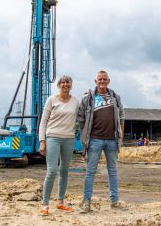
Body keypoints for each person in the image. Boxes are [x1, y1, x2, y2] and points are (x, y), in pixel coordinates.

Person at [78, 70, 125, 213]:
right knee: (90, 171)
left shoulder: (115, 97)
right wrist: (85, 134)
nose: (102, 81)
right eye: (100, 79)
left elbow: (121, 115)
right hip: (94, 140)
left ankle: (114, 201)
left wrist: (120, 134)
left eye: (105, 79)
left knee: (113, 171)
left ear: (108, 81)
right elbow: (81, 117)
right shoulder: (88, 98)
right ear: (95, 81)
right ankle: (87, 202)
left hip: (112, 140)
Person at [38, 75, 79, 216]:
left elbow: (82, 114)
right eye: (62, 82)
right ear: (59, 85)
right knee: (52, 171)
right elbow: (43, 121)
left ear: (71, 85)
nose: (65, 84)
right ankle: (45, 204)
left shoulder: (75, 101)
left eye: (68, 82)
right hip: (52, 137)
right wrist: (42, 141)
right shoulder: (51, 100)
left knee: (65, 171)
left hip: (69, 138)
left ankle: (60, 202)